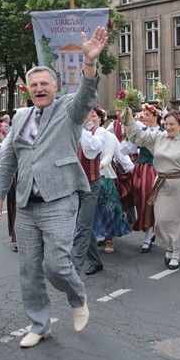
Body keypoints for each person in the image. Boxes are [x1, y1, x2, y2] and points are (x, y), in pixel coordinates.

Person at [0, 27, 108, 348]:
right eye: (34, 85)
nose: (39, 88)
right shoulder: (19, 118)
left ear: (55, 87)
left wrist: (89, 63)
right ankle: (39, 324)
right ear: (27, 90)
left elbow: (87, 96)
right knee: (29, 270)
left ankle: (77, 295)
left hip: (59, 198)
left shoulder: (69, 109)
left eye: (45, 83)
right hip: (27, 201)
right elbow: (10, 159)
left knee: (56, 264)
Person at [126, 109, 180, 269]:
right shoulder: (158, 137)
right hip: (162, 184)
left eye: (172, 124)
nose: (168, 127)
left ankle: (175, 252)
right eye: (166, 124)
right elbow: (138, 137)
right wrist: (129, 119)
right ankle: (170, 246)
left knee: (178, 221)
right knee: (162, 220)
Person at [122, 103, 162, 253]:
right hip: (140, 169)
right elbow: (129, 149)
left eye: (147, 114)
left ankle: (148, 235)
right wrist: (126, 138)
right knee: (140, 201)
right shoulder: (142, 131)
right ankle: (150, 229)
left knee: (149, 201)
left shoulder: (161, 133)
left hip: (154, 170)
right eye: (143, 114)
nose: (144, 117)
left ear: (156, 115)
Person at [92, 107, 132, 254]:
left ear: (100, 118)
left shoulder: (108, 136)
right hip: (86, 178)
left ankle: (109, 239)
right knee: (90, 210)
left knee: (108, 209)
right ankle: (96, 234)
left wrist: (132, 169)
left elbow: (112, 156)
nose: (90, 119)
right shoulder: (83, 134)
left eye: (94, 116)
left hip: (104, 177)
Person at [72, 108, 107, 276]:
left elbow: (91, 149)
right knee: (82, 226)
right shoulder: (75, 129)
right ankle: (95, 261)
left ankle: (73, 268)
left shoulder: (100, 132)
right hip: (74, 183)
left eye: (92, 114)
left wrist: (79, 128)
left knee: (83, 226)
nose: (90, 116)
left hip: (91, 183)